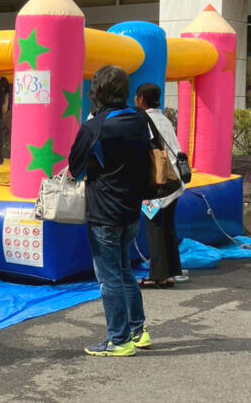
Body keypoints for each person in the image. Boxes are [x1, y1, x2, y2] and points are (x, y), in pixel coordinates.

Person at [68, 66, 151, 358]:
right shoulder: (139, 119)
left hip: (104, 212)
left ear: (97, 92)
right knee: (125, 270)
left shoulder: (96, 126)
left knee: (110, 278)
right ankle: (138, 331)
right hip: (131, 210)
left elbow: (74, 167)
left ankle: (119, 339)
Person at [135, 84, 185, 288]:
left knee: (154, 227)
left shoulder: (142, 120)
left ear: (140, 99)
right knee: (168, 227)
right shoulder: (164, 119)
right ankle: (171, 272)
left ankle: (158, 275)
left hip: (156, 184)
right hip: (174, 182)